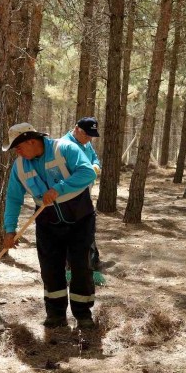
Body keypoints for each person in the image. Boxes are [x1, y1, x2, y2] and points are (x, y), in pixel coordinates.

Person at [3, 123, 97, 330]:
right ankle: (55, 314)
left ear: (31, 141)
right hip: (47, 221)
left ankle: (83, 314)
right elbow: (13, 198)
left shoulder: (64, 148)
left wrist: (59, 188)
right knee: (50, 269)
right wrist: (10, 229)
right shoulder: (19, 166)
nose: (16, 152)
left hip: (80, 217)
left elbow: (88, 173)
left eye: (18, 147)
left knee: (81, 266)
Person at [61, 117, 106, 283]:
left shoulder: (87, 143)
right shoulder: (64, 145)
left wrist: (95, 166)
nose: (89, 138)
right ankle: (69, 266)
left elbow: (94, 157)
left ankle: (92, 262)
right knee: (70, 229)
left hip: (85, 192)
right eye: (87, 135)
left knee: (87, 228)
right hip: (69, 195)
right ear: (76, 129)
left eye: (92, 135)